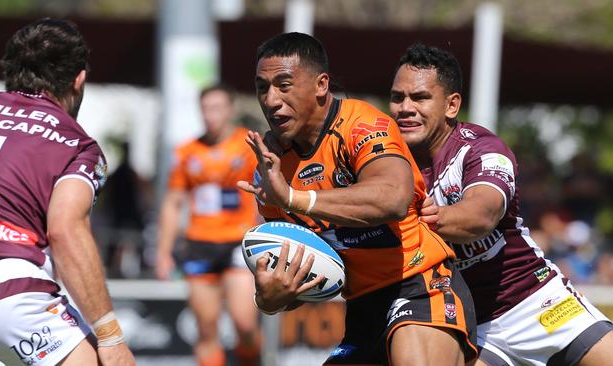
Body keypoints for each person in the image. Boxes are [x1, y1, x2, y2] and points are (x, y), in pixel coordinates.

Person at [237, 32, 477, 366]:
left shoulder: (361, 124)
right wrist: (270, 298)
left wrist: (293, 197)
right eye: (263, 87)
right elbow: (302, 270)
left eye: (284, 84)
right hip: (362, 310)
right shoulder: (272, 167)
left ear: (321, 85)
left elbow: (393, 197)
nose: (271, 99)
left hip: (422, 285)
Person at [389, 42, 613, 366]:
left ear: (452, 105)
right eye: (398, 97)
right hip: (471, 326)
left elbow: (480, 216)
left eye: (420, 97)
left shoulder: (483, 149)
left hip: (537, 302)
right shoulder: (384, 164)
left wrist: (414, 219)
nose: (405, 107)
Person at [0, 19, 135, 365]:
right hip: (11, 293)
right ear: (78, 79)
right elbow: (65, 230)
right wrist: (110, 335)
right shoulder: (77, 143)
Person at [155, 84, 261, 366]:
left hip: (239, 241)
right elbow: (172, 203)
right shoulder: (187, 152)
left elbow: (267, 193)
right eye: (205, 109)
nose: (210, 116)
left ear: (230, 109)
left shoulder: (248, 146)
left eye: (217, 108)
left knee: (245, 323)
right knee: (205, 328)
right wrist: (163, 251)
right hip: (200, 244)